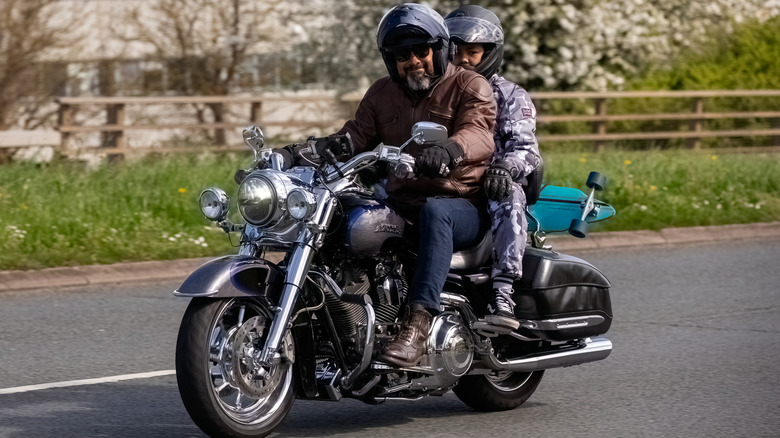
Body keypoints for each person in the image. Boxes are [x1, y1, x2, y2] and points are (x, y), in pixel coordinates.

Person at [317, 3, 496, 367]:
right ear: (390, 60)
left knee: (436, 211)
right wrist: (309, 150)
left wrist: (451, 148)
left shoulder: (468, 84)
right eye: (401, 55)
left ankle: (418, 323)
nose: (412, 60)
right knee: (343, 213)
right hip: (402, 202)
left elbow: (480, 133)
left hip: (460, 203)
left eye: (420, 50)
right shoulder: (383, 92)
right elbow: (355, 135)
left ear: (439, 49)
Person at [445, 5, 542, 331]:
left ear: (489, 52)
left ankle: (503, 294)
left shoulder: (509, 95)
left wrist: (503, 169)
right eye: (456, 51)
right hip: (447, 183)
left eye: (472, 52)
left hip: (490, 184)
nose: (463, 59)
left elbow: (527, 151)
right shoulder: (437, 93)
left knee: (508, 193)